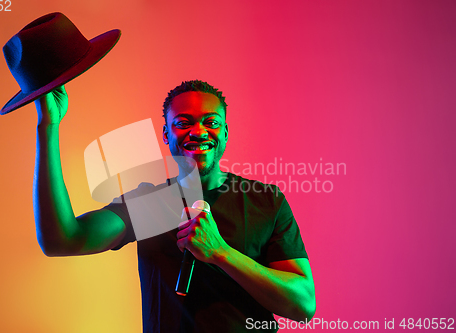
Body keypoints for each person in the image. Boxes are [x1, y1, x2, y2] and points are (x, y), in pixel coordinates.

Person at [33, 80, 316, 332]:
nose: (199, 131)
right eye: (183, 123)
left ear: (226, 133)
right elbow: (62, 240)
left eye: (211, 122)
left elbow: (303, 305)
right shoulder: (149, 204)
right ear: (167, 135)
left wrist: (221, 253)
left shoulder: (265, 200)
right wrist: (48, 126)